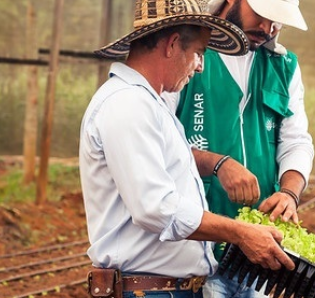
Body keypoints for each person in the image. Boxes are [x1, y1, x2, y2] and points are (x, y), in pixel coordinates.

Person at [80, 1, 294, 297]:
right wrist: (241, 233)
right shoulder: (127, 104)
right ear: (172, 45)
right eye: (199, 53)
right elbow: (156, 208)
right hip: (147, 291)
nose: (201, 66)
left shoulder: (153, 106)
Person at [162, 0, 314, 297]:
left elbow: (297, 140)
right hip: (192, 256)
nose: (269, 28)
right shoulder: (186, 58)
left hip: (252, 258)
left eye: (277, 21)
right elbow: (158, 145)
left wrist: (289, 193)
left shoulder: (283, 67)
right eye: (262, 15)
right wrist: (219, 163)